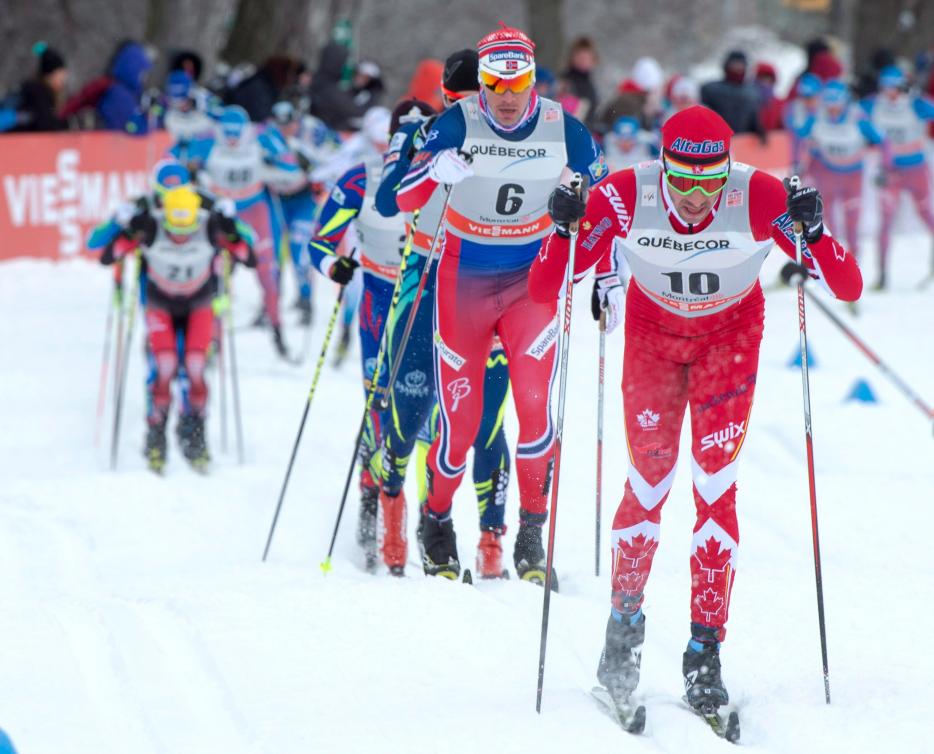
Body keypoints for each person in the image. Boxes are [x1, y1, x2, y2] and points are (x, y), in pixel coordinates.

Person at [529, 105, 861, 715]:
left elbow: (846, 285)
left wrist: (813, 232)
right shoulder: (626, 194)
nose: (692, 197)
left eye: (708, 184)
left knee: (716, 486)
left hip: (728, 343)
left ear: (728, 171)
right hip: (653, 341)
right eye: (680, 181)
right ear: (663, 166)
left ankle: (704, 653)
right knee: (649, 483)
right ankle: (622, 638)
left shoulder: (758, 194)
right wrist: (561, 228)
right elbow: (547, 288)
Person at [395, 23, 605, 580]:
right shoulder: (454, 122)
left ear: (533, 79)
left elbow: (604, 206)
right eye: (495, 84)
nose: (507, 99)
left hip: (531, 282)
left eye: (518, 85)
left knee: (535, 413)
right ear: (482, 81)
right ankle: (436, 519)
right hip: (463, 278)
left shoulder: (566, 130)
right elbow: (402, 197)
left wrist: (602, 264)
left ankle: (531, 533)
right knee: (460, 428)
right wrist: (430, 169)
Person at [372, 50, 513, 579]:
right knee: (409, 412)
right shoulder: (422, 132)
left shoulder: (520, 142)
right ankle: (391, 504)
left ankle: (491, 536)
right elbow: (388, 203)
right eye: (471, 99)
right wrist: (426, 165)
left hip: (487, 280)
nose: (484, 108)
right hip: (427, 277)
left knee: (486, 419)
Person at [307, 105, 407, 569]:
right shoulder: (360, 178)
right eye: (394, 138)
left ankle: (425, 520)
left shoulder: (446, 173)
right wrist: (335, 265)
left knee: (426, 420)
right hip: (378, 299)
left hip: (428, 303)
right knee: (378, 408)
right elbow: (320, 243)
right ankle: (371, 509)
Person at [99, 185, 255, 472]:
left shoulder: (209, 226)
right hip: (161, 302)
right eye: (175, 230)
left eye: (187, 230)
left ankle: (195, 432)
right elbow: (107, 256)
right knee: (165, 365)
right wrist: (127, 228)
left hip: (199, 302)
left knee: (196, 366)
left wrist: (232, 231)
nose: (181, 237)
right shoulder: (152, 227)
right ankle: (156, 434)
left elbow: (248, 255)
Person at [179, 105, 300, 356]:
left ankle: (278, 330)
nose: (232, 140)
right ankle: (213, 338)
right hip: (223, 214)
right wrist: (192, 173)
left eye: (237, 134)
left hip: (254, 210)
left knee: (267, 272)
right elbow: (175, 163)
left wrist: (272, 168)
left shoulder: (261, 137)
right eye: (227, 134)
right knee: (217, 275)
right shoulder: (208, 139)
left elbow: (291, 168)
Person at [798, 80, 885, 271]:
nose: (832, 108)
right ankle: (833, 264)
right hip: (829, 173)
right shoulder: (816, 117)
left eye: (836, 102)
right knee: (828, 219)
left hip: (853, 175)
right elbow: (802, 139)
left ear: (844, 101)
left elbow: (880, 140)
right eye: (828, 102)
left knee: (851, 220)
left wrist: (884, 168)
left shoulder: (857, 116)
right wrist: (801, 166)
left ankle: (853, 264)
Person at [862, 65, 934, 288]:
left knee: (926, 215)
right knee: (885, 222)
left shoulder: (914, 104)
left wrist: (920, 99)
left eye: (892, 88)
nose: (888, 93)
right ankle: (882, 275)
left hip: (916, 170)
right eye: (884, 87)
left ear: (901, 87)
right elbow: (854, 111)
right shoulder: (876, 104)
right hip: (891, 172)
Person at [263, 100, 320, 325]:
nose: (286, 129)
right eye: (281, 125)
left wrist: (313, 169)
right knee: (273, 253)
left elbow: (330, 159)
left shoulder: (310, 134)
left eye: (290, 124)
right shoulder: (266, 139)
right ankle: (270, 303)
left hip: (303, 202)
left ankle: (306, 301)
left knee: (300, 250)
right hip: (277, 201)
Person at [700, 50, 763, 136]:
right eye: (734, 64)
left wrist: (758, 130)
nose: (738, 68)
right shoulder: (711, 90)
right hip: (716, 141)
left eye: (741, 65)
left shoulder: (752, 93)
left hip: (741, 143)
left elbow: (752, 117)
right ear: (727, 66)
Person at [13, 42, 68, 132]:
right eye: (60, 76)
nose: (63, 80)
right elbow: (44, 124)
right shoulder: (37, 93)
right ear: (50, 75)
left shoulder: (41, 92)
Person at [561, 36, 600, 129]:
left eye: (587, 57)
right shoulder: (565, 81)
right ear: (572, 58)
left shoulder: (590, 83)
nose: (584, 61)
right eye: (580, 57)